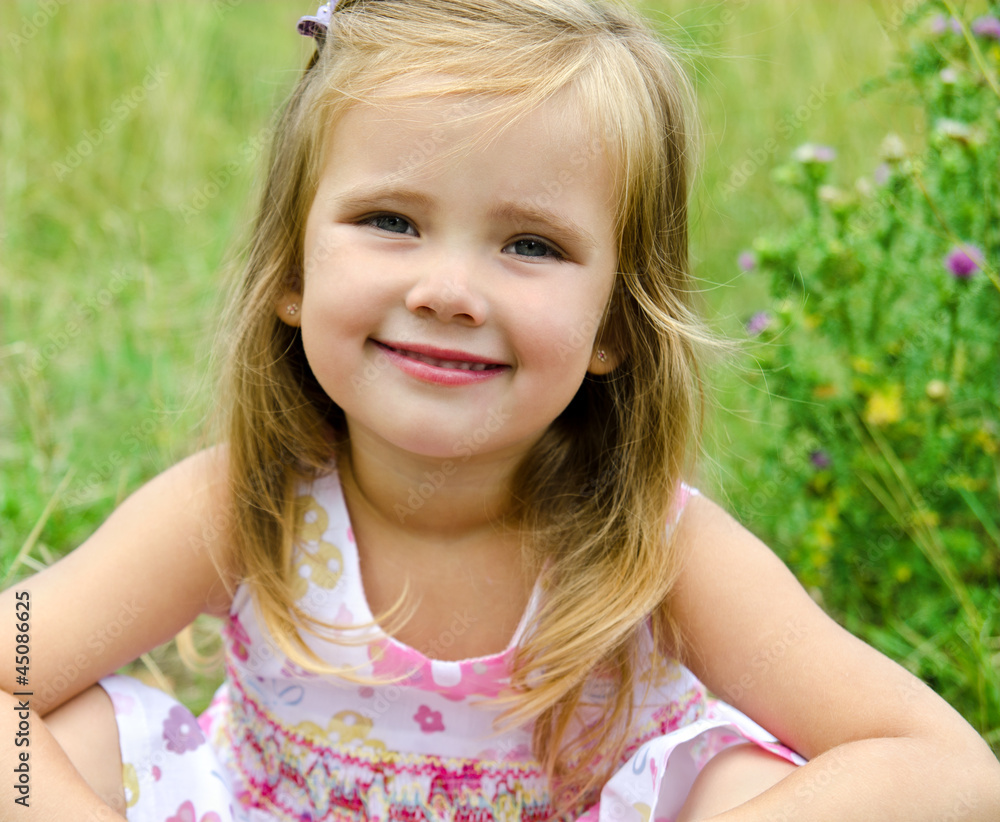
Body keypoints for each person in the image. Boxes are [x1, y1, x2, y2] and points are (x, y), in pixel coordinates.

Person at [3, 0, 999, 820]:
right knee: (70, 732)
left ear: (615, 322)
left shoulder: (658, 551)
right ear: (292, 274)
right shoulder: (245, 503)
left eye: (531, 245)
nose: (447, 292)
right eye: (391, 220)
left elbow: (949, 767)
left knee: (737, 781)